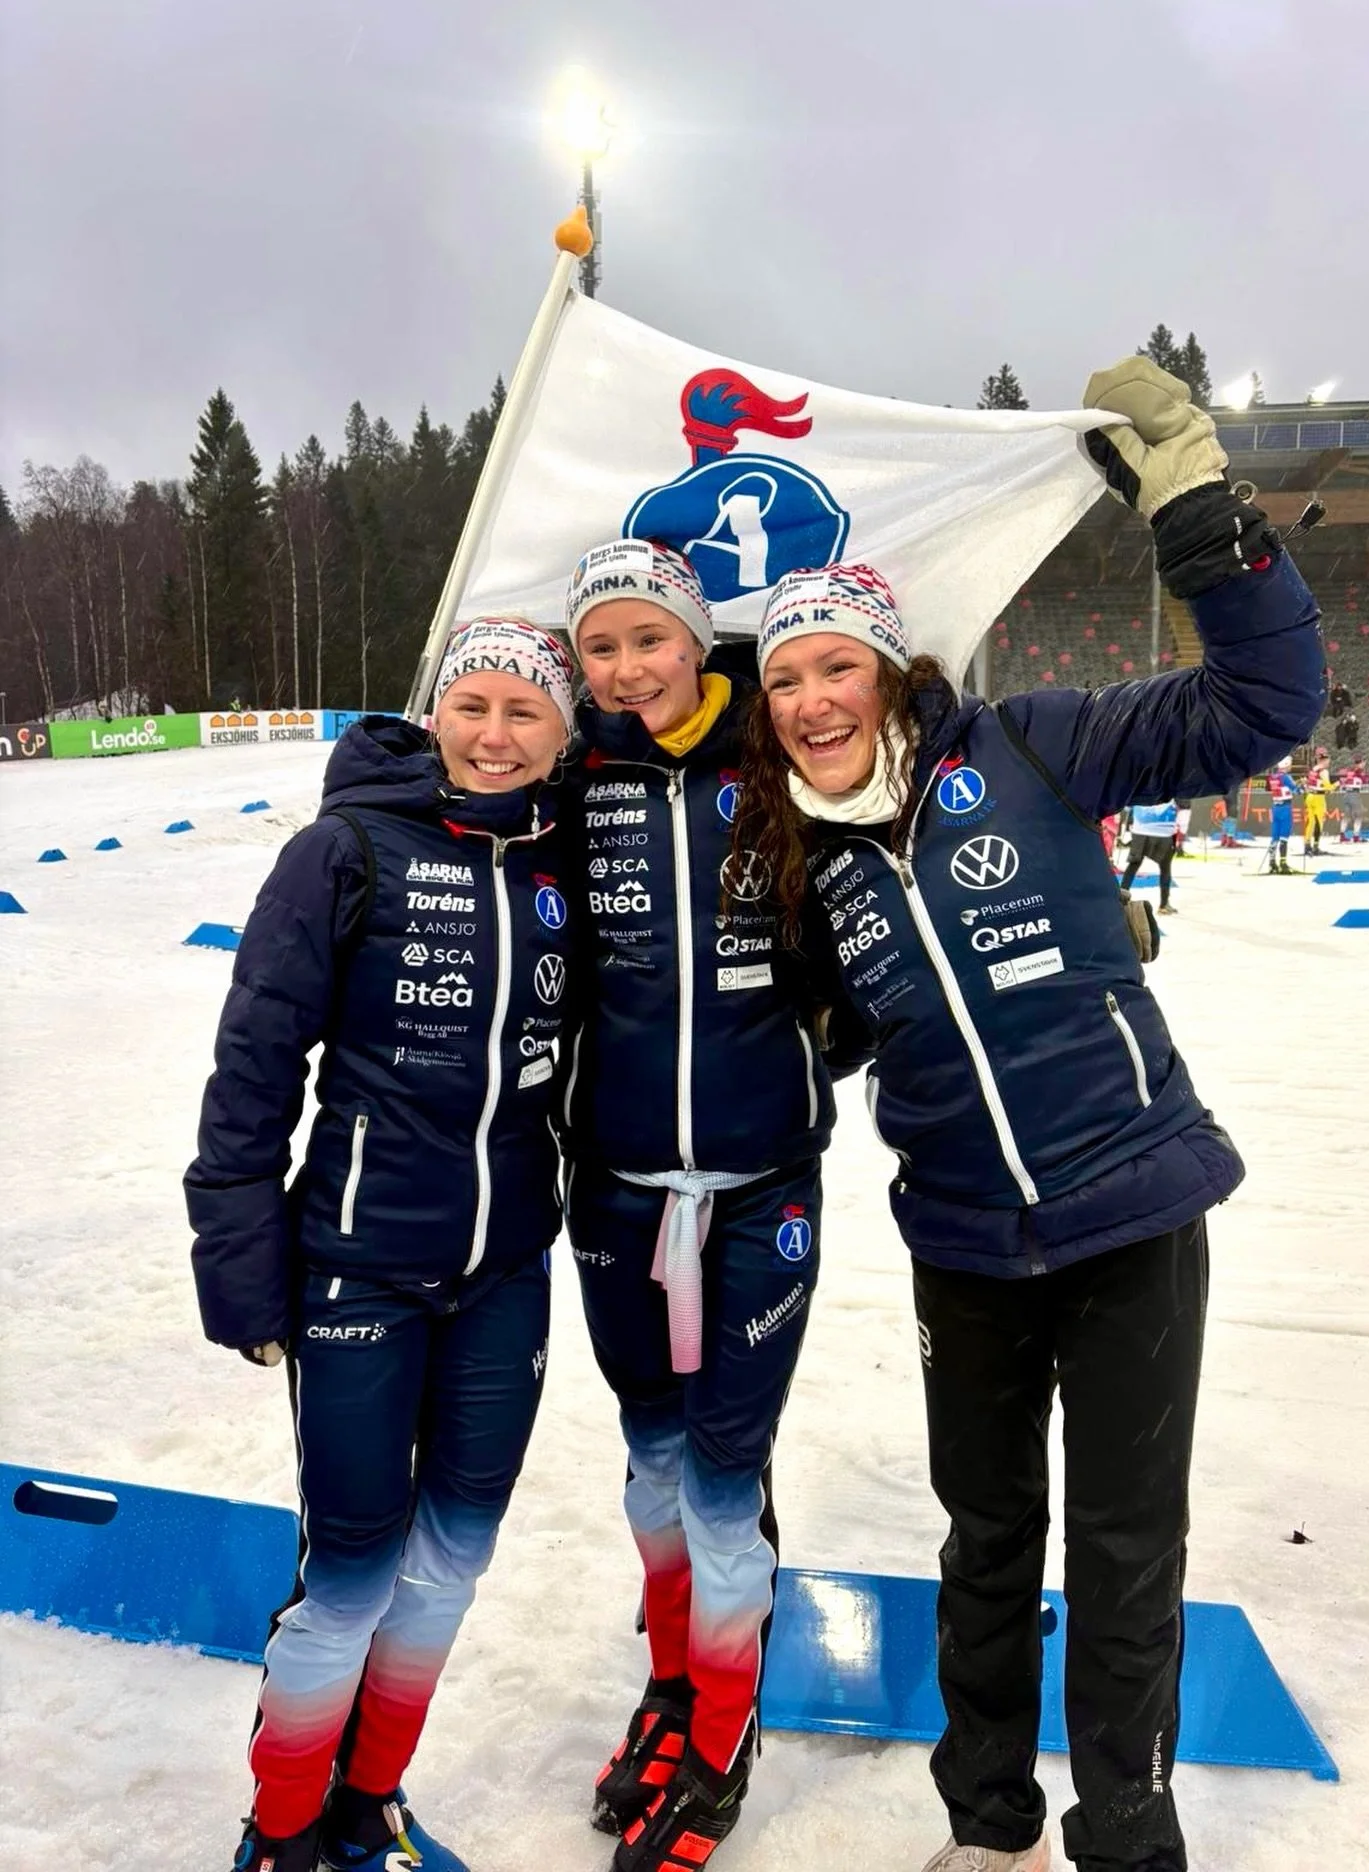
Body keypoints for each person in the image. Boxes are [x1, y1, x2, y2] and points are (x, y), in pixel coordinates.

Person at [732, 355, 1325, 1872]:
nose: (811, 702)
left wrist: (1197, 512)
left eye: (836, 669)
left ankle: (1126, 1836)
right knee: (986, 1549)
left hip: (1132, 1212)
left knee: (1125, 1553)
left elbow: (1265, 701)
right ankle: (988, 1828)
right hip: (966, 1248)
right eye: (785, 679)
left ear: (892, 670)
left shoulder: (1033, 746)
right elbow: (814, 1034)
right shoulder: (804, 864)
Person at [185, 620, 579, 1872]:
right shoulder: (345, 849)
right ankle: (282, 1830)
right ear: (434, 712)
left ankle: (369, 1797)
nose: (495, 736)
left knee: (451, 1565)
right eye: (473, 706)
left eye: (526, 711)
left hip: (504, 1274)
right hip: (360, 1267)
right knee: (350, 1576)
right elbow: (255, 1063)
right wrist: (241, 1261)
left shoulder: (560, 858)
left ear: (563, 732)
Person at [559, 540, 835, 1872]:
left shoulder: (770, 758)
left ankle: (721, 1752)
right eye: (601, 647)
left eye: (651, 640)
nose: (629, 669)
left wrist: (811, 1056)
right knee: (652, 1462)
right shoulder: (572, 773)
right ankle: (673, 1694)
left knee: (725, 1482)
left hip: (761, 1183)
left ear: (695, 639)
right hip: (615, 1186)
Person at [1118, 797, 1179, 913]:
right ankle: (1164, 904)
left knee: (1133, 865)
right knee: (1165, 868)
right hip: (1163, 829)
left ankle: (1120, 900)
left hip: (1141, 827)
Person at [1264, 755, 1300, 873]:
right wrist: (1302, 787)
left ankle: (1271, 863)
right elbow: (1297, 791)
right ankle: (1283, 864)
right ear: (1286, 765)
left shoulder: (1272, 777)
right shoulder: (1286, 777)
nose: (1291, 766)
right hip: (1285, 808)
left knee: (1275, 836)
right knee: (1284, 837)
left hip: (1275, 807)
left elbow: (1269, 788)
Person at [1302, 756, 1336, 856]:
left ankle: (1307, 846)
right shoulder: (1324, 771)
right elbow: (1328, 787)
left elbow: (1307, 783)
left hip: (1310, 796)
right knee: (1319, 823)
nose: (1328, 762)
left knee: (1310, 822)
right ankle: (1316, 847)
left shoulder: (1312, 769)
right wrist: (1338, 784)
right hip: (1319, 798)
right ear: (1323, 761)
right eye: (1327, 760)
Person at [1338, 757, 1368, 842]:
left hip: (1347, 794)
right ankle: (1356, 837)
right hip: (1354, 794)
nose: (1364, 765)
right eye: (1363, 763)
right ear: (1359, 763)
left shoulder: (1349, 770)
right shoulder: (1359, 771)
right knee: (1359, 816)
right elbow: (1365, 780)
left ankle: (1342, 835)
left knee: (1346, 816)